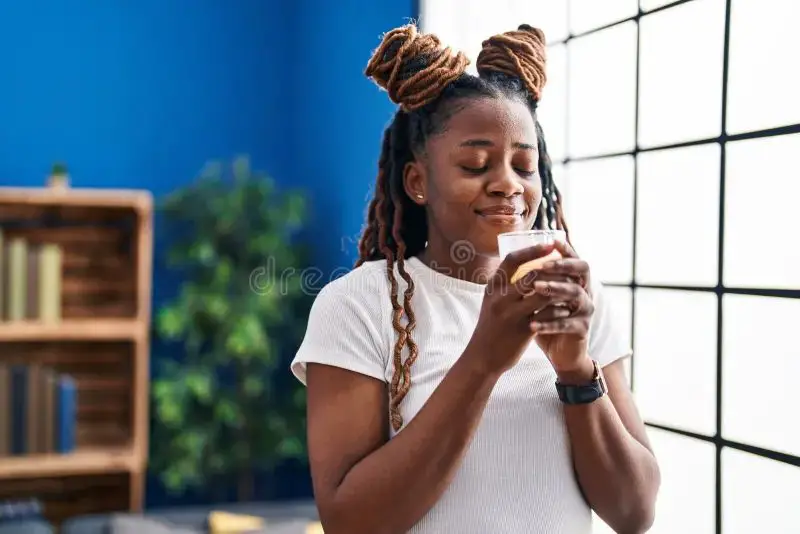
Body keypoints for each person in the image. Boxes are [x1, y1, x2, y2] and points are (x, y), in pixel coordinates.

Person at [290, 23, 660, 534]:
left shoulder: (575, 297)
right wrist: (484, 359)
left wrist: (577, 370)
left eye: (524, 166)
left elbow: (634, 512)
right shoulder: (357, 305)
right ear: (418, 181)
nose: (508, 183)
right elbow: (350, 523)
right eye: (475, 164)